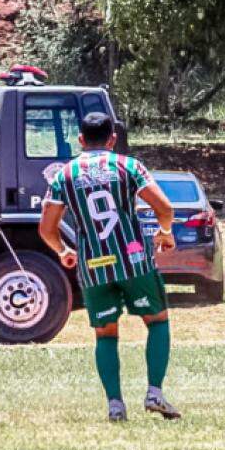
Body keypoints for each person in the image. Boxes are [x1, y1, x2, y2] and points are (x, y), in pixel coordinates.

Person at [39, 112, 181, 423]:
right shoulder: (128, 166)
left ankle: (115, 405)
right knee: (157, 321)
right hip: (133, 260)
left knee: (105, 334)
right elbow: (164, 208)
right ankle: (154, 391)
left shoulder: (65, 174)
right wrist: (165, 232)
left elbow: (46, 229)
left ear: (80, 140)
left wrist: (63, 251)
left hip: (94, 265)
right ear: (113, 139)